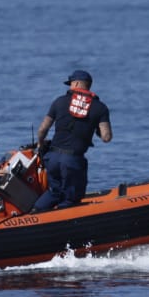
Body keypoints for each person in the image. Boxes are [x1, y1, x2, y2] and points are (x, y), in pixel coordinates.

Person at [32, 69, 112, 212]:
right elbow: (106, 137)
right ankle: (63, 225)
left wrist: (40, 143)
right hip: (72, 161)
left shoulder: (59, 101)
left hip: (53, 158)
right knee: (71, 199)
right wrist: (94, 127)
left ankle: (35, 214)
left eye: (70, 84)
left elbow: (42, 129)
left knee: (54, 192)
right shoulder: (100, 108)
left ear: (75, 83)